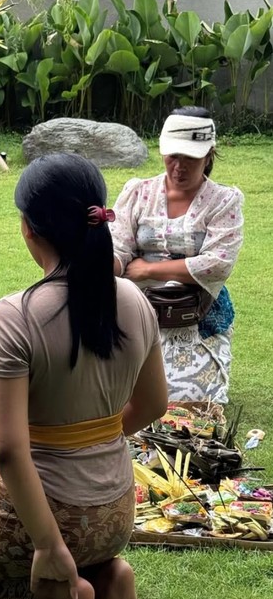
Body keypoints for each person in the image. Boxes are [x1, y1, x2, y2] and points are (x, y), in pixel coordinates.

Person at [0, 154, 167, 599]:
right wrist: (91, 442)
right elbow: (156, 404)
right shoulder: (135, 299)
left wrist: (47, 545)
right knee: (83, 551)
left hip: (44, 514)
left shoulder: (14, 315)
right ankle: (109, 576)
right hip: (117, 512)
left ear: (29, 229)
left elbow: (11, 452)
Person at [110, 107, 244, 404]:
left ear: (209, 154)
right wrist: (109, 263)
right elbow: (119, 244)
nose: (179, 167)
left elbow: (217, 263)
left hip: (197, 314)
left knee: (192, 404)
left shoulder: (224, 201)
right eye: (173, 156)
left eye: (190, 158)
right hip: (139, 312)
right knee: (124, 398)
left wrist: (148, 270)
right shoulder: (138, 192)